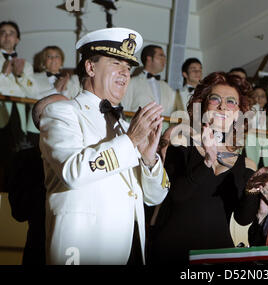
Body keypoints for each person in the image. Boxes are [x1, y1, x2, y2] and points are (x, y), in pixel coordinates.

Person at [39, 27, 170, 265]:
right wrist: (130, 141)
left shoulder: (126, 126)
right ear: (90, 67)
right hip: (83, 247)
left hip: (130, 248)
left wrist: (150, 160)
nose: (125, 73)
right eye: (116, 63)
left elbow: (154, 196)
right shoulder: (62, 112)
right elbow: (72, 172)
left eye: (128, 68)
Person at [149, 71, 268, 264]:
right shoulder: (181, 141)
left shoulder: (246, 163)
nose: (223, 106)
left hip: (218, 254)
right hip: (173, 250)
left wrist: (251, 192)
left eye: (231, 102)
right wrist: (206, 161)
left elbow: (243, 219)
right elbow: (176, 196)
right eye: (215, 99)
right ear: (202, 105)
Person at [6, 94, 69, 265]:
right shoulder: (24, 160)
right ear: (44, 123)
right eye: (66, 110)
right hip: (39, 251)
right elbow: (19, 212)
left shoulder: (90, 156)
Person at [122, 44, 178, 119]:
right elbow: (124, 110)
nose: (164, 59)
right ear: (149, 59)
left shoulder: (168, 88)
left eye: (164, 57)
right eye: (161, 56)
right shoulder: (132, 83)